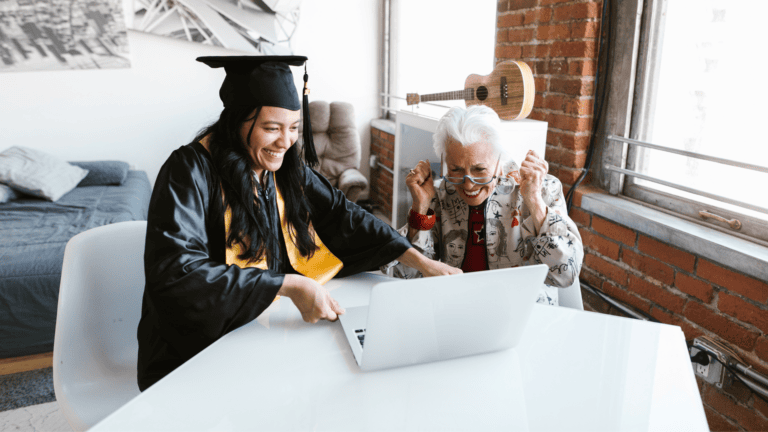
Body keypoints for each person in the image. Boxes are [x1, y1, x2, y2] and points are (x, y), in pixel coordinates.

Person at [137, 56, 455, 391]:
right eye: (271, 128)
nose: (285, 142)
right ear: (236, 122)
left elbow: (343, 214)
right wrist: (287, 284)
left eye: (293, 129)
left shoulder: (287, 168)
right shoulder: (188, 172)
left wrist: (422, 262)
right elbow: (176, 274)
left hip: (267, 333)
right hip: (197, 354)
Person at [383, 105, 583, 305]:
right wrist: (421, 208)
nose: (468, 184)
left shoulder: (543, 188)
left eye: (479, 169)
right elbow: (408, 278)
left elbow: (565, 275)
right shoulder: (441, 192)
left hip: (523, 313)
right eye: (456, 169)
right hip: (457, 309)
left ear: (499, 160)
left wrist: (535, 202)